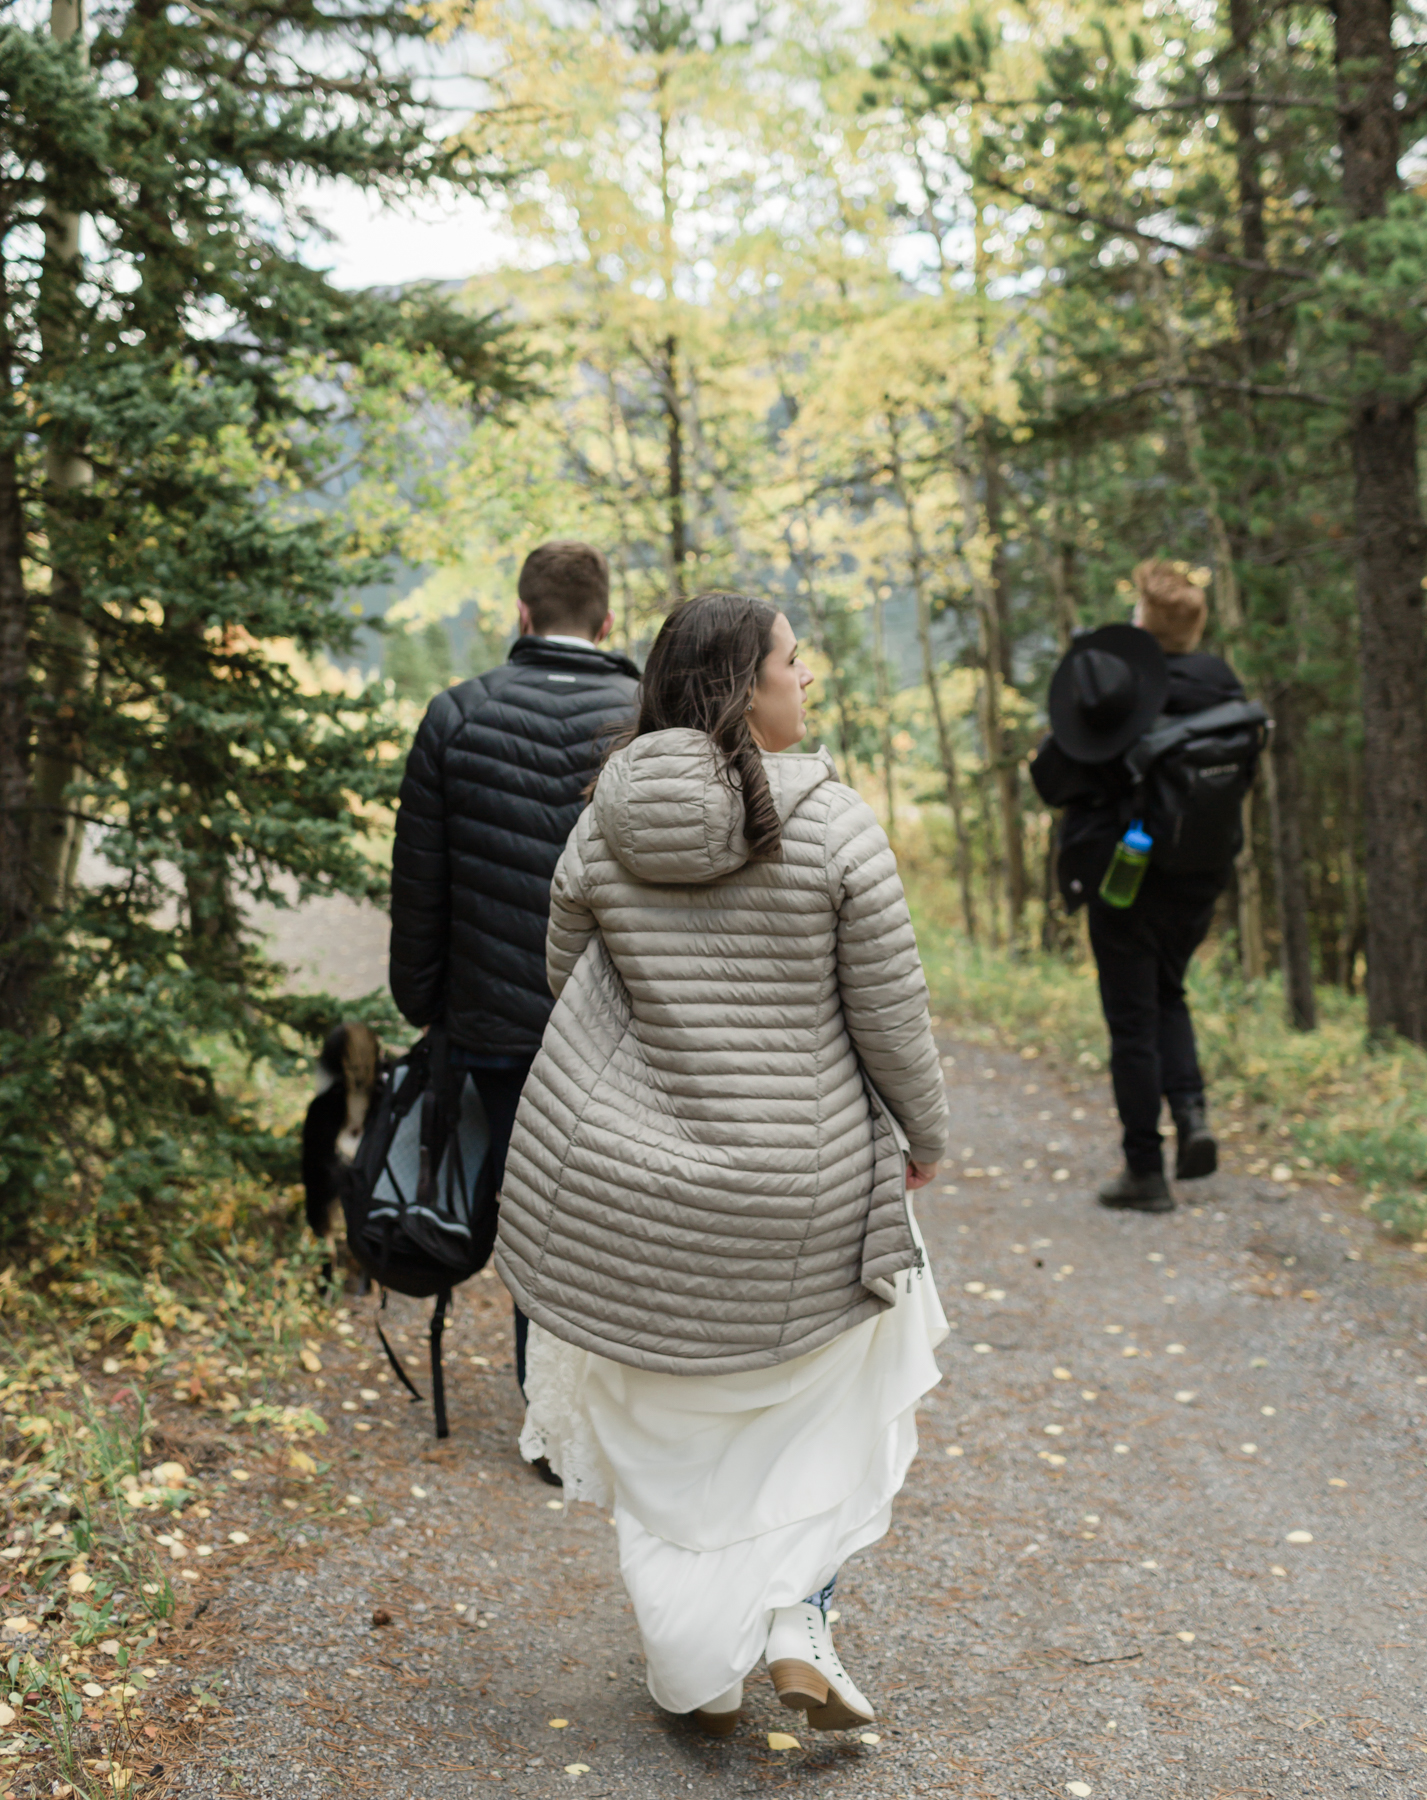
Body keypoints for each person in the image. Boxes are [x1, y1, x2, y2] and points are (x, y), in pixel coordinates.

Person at [494, 593, 950, 1737]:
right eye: (796, 661)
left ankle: (694, 1674)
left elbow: (568, 979)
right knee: (835, 1401)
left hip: (633, 1196)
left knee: (672, 1434)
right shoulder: (834, 825)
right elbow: (890, 1016)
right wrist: (925, 1136)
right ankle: (797, 1614)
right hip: (801, 1188)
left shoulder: (605, 820)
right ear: (749, 687)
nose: (811, 678)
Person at [388, 540, 640, 1433]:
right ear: (608, 623)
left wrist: (424, 1005)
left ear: (522, 617)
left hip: (494, 1024)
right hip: (622, 1029)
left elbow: (421, 885)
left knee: (524, 1205)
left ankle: (552, 1414)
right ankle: (617, 1410)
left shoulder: (455, 717)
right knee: (610, 1208)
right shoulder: (651, 718)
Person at [1031, 560, 1250, 1214]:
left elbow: (1053, 778)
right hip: (1199, 872)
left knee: (1131, 1021)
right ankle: (1192, 1115)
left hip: (1124, 878)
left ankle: (1144, 1171)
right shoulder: (1221, 684)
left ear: (1142, 625)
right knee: (1169, 992)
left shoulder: (1118, 691)